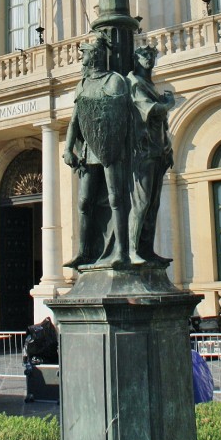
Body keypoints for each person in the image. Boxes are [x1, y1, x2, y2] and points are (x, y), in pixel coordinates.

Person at [63, 37, 130, 268]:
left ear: (96, 55)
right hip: (88, 150)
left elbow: (119, 116)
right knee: (83, 202)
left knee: (115, 197)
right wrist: (67, 148)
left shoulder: (114, 81)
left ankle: (122, 251)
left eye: (85, 53)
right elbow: (75, 120)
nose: (82, 57)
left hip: (110, 147)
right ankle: (84, 251)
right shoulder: (81, 84)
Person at [127, 45, 175, 265]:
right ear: (136, 58)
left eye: (152, 56)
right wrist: (167, 104)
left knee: (153, 204)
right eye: (145, 55)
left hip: (157, 149)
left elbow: (159, 120)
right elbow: (150, 110)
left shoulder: (149, 84)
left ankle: (146, 250)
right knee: (142, 202)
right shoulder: (134, 82)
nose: (149, 59)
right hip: (142, 151)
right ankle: (132, 250)